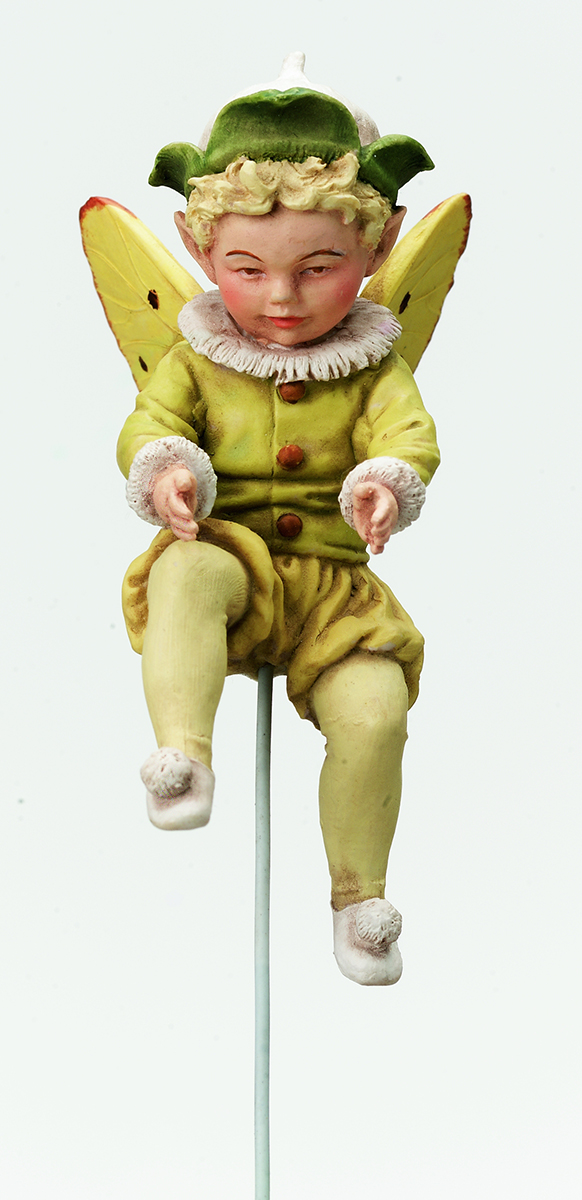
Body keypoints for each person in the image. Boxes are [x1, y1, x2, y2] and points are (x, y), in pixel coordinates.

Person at [117, 56, 440, 984]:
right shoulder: (197, 356)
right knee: (183, 572)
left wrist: (385, 482)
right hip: (226, 557)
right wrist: (168, 469)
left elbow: (408, 435)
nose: (282, 299)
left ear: (378, 250)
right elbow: (149, 424)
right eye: (247, 270)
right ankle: (183, 754)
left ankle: (359, 899)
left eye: (319, 268)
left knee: (377, 712)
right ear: (198, 249)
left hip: (335, 597)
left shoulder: (374, 365)